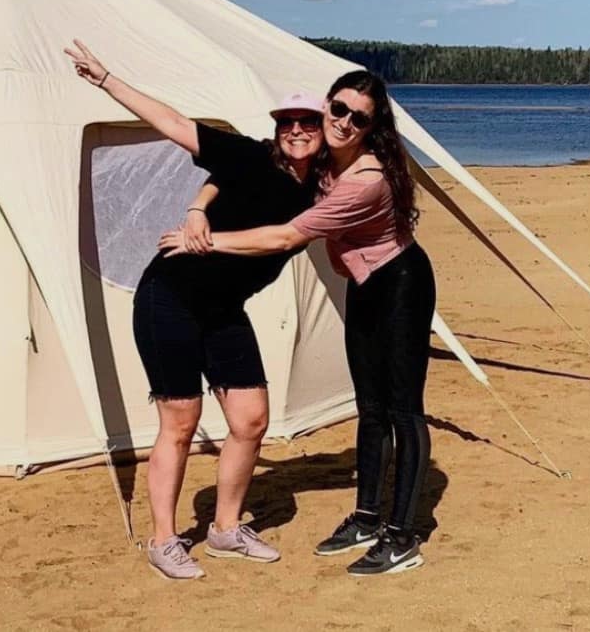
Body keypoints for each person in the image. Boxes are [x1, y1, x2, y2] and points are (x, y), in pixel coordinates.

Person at [160, 71, 436, 577]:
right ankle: (368, 517)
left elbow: (285, 238)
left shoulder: (366, 180)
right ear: (326, 107)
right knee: (370, 407)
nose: (345, 122)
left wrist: (203, 239)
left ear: (373, 127)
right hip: (367, 286)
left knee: (402, 410)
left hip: (401, 286)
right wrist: (199, 205)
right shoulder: (324, 160)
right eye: (339, 109)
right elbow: (235, 165)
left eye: (360, 117)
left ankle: (402, 537)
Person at [62, 40, 318, 580]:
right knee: (181, 423)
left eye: (308, 123)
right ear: (277, 128)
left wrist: (202, 211)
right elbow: (173, 122)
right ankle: (163, 540)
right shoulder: (249, 154)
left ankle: (225, 529)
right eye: (288, 122)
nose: (296, 130)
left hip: (224, 308)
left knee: (250, 420)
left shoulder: (324, 191)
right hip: (170, 299)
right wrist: (108, 79)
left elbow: (284, 236)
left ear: (324, 133)